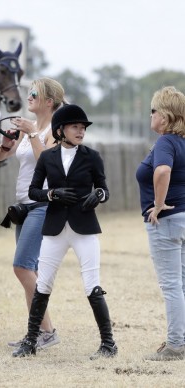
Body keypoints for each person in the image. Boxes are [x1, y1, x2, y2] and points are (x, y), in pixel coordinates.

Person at [11, 104, 118, 359]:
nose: (80, 131)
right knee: (43, 283)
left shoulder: (92, 156)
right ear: (60, 130)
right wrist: (52, 193)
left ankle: (108, 344)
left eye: (83, 128)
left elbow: (104, 189)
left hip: (84, 228)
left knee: (92, 284)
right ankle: (31, 340)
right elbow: (34, 191)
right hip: (55, 227)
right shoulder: (48, 157)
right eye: (75, 127)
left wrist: (98, 195)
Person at [0, 77, 66, 350]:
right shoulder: (27, 129)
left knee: (22, 267)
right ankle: (37, 333)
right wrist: (5, 144)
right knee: (30, 272)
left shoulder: (55, 130)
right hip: (23, 206)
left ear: (49, 101)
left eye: (35, 93)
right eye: (29, 92)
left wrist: (33, 133)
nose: (29, 96)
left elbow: (47, 161)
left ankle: (46, 331)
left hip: (43, 205)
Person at [136, 86, 185, 361]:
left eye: (153, 111)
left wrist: (158, 203)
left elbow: (163, 170)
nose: (151, 116)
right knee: (183, 284)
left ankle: (176, 345)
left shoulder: (166, 142)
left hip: (167, 221)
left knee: (171, 285)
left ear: (164, 117)